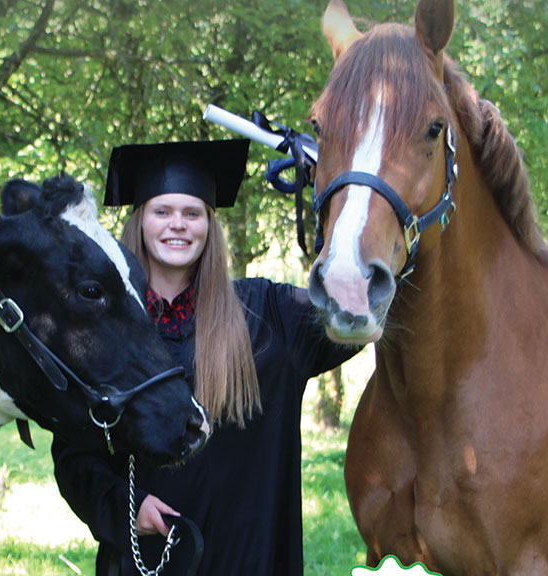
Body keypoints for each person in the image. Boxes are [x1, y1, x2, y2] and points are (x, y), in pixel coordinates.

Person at [52, 138, 358, 575]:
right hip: (152, 559)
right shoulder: (102, 329)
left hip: (251, 559)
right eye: (162, 211)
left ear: (209, 226)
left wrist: (335, 186)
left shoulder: (268, 317)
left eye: (192, 213)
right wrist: (124, 507)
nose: (178, 225)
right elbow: (73, 453)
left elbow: (354, 302)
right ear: (140, 221)